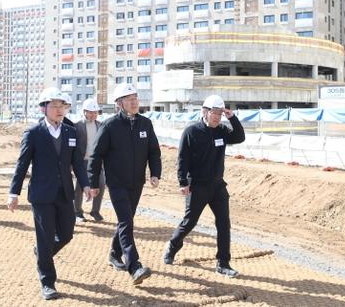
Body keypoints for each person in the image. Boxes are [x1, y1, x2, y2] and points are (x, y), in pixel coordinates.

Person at [7, 87, 95, 301]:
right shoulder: (33, 133)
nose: (59, 110)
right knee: (45, 237)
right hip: (42, 194)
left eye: (62, 106)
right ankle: (47, 282)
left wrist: (85, 184)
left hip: (64, 192)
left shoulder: (70, 132)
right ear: (43, 108)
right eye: (54, 106)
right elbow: (22, 164)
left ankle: (42, 254)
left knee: (66, 234)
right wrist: (14, 192)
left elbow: (77, 162)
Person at [163, 95, 245, 277]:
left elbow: (240, 137)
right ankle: (173, 245)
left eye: (219, 113)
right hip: (197, 186)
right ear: (205, 112)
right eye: (214, 113)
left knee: (224, 224)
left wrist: (232, 117)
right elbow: (182, 159)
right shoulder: (191, 132)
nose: (217, 117)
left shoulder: (222, 130)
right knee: (189, 222)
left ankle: (223, 263)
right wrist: (183, 182)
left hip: (217, 186)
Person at [88, 83, 161, 285]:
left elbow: (154, 151)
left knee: (125, 221)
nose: (134, 102)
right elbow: (96, 155)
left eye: (135, 98)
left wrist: (155, 173)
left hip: (137, 182)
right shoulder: (109, 126)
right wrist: (93, 183)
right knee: (127, 222)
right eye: (129, 99)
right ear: (119, 103)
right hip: (117, 183)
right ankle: (134, 266)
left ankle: (114, 254)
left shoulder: (145, 124)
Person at [74, 98, 105, 222]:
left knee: (101, 185)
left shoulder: (101, 125)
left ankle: (95, 211)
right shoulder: (77, 126)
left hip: (96, 162)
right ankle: (78, 212)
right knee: (79, 187)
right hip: (82, 161)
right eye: (90, 112)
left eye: (95, 112)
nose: (93, 115)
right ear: (84, 112)